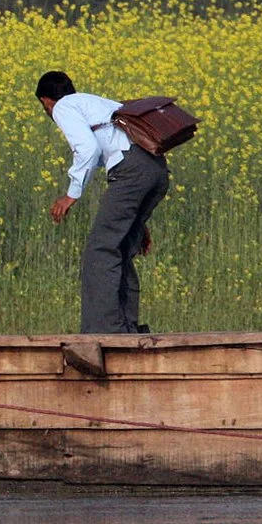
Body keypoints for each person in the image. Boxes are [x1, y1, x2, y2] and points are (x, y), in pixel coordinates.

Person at [40, 69, 169, 335]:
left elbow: (88, 149)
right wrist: (137, 222)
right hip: (155, 169)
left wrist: (71, 194)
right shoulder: (98, 103)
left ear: (46, 101)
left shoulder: (64, 106)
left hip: (131, 171)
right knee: (120, 248)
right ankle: (126, 326)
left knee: (100, 251)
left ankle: (104, 331)